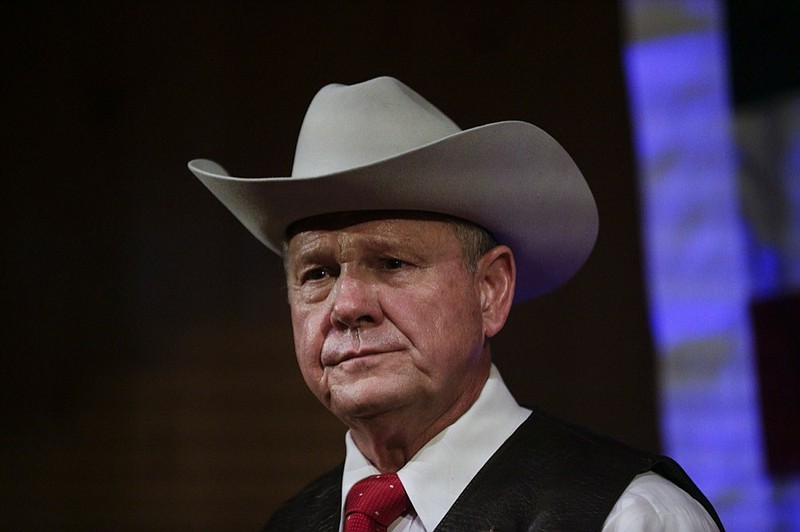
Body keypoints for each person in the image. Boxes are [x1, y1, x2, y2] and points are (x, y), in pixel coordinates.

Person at [189, 77, 723, 531]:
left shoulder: (626, 517)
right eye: (318, 273)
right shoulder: (289, 525)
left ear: (490, 290)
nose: (347, 304)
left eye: (393, 263)